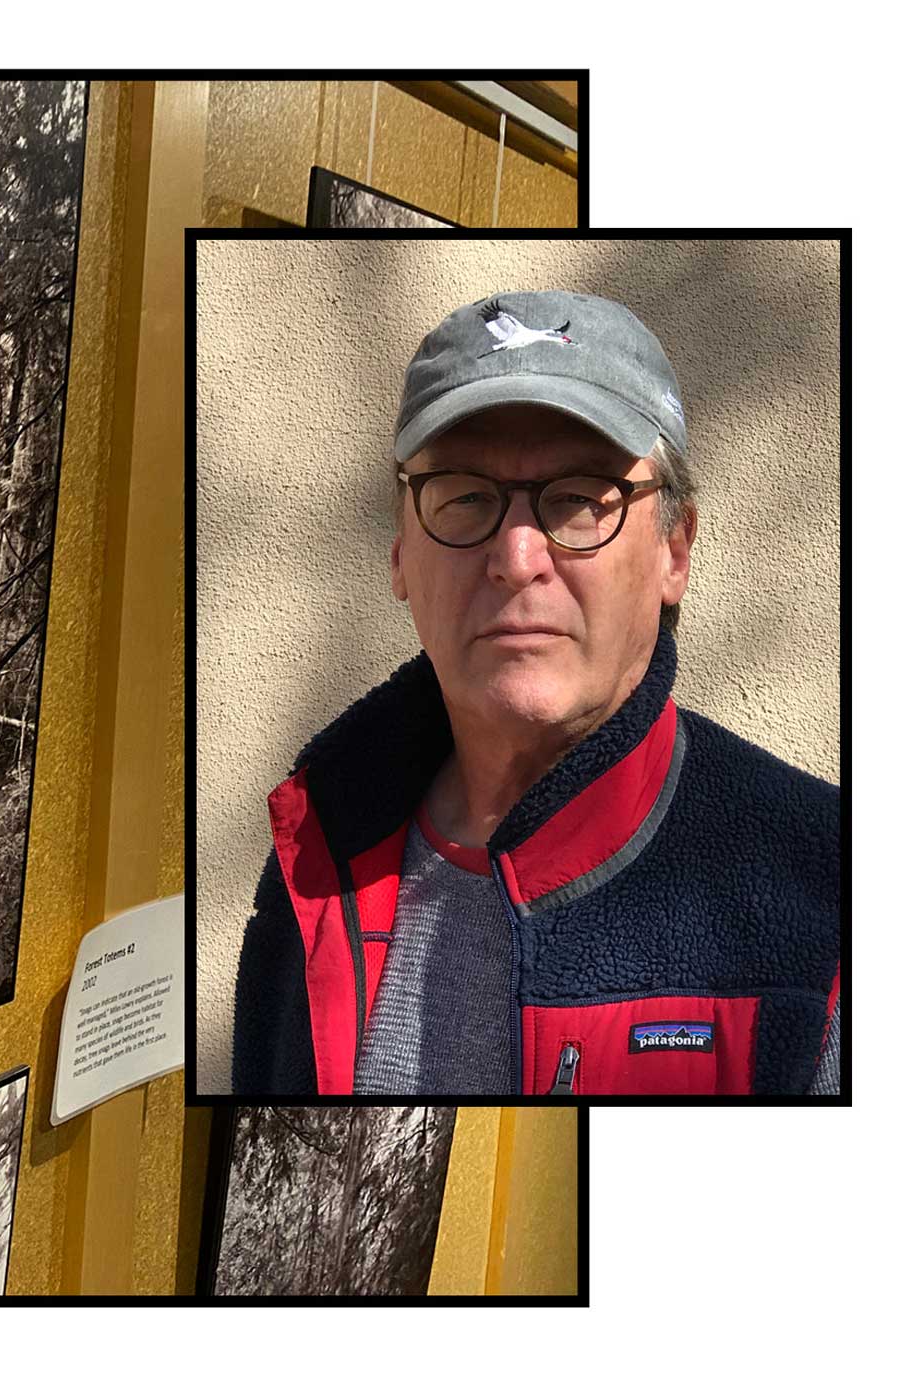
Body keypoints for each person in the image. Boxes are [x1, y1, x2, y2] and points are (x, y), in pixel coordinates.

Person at [228, 290, 841, 1096]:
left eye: (583, 499)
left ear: (675, 551)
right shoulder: (314, 855)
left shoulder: (828, 893)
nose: (517, 557)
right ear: (401, 555)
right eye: (466, 497)